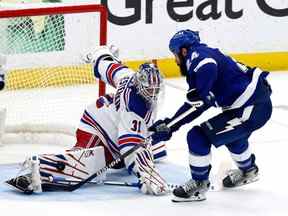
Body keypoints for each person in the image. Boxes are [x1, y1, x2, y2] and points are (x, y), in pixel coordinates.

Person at [6, 46, 169, 196]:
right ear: (139, 84)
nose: (152, 94)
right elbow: (130, 146)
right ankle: (36, 170)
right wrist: (146, 174)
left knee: (159, 149)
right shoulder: (135, 107)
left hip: (113, 126)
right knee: (83, 164)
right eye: (148, 89)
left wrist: (100, 55)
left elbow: (107, 66)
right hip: (98, 127)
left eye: (155, 89)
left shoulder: (127, 76)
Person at [149, 29, 272, 202]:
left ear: (184, 51)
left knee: (197, 136)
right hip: (253, 103)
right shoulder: (204, 52)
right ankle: (248, 171)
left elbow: (199, 102)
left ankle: (199, 185)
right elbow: (200, 101)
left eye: (175, 55)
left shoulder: (198, 58)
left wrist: (170, 125)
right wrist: (171, 124)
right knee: (233, 137)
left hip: (251, 108)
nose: (176, 60)